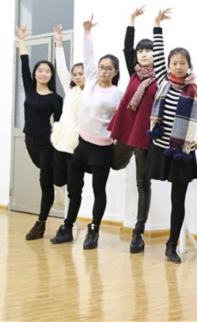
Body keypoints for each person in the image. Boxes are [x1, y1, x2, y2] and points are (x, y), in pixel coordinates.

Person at [146, 9, 197, 263]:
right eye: (174, 63)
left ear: (189, 65)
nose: (178, 66)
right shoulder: (162, 82)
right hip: (161, 147)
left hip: (182, 152)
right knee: (143, 186)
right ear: (168, 65)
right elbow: (157, 52)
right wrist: (157, 25)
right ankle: (139, 233)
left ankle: (171, 245)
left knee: (178, 200)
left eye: (182, 63)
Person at [50, 15, 124, 250]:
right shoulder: (90, 80)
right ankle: (67, 228)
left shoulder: (117, 94)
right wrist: (87, 32)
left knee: (98, 191)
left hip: (102, 149)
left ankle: (94, 231)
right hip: (81, 146)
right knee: (74, 189)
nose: (104, 71)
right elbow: (88, 54)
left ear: (115, 72)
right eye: (102, 67)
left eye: (109, 69)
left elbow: (122, 122)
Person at [107, 6, 165, 254]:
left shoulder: (160, 77)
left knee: (143, 183)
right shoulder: (134, 73)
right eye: (141, 51)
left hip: (144, 136)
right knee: (113, 163)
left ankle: (137, 233)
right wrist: (131, 20)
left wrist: (157, 25)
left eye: (148, 51)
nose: (143, 54)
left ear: (155, 54)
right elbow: (127, 48)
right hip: (125, 131)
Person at [17, 25, 63, 241]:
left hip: (47, 144)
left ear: (51, 75)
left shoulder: (56, 99)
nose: (43, 73)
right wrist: (21, 40)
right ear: (35, 74)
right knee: (46, 177)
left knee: (45, 181)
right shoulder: (29, 88)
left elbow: (60, 124)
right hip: (30, 141)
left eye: (47, 71)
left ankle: (40, 223)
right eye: (40, 70)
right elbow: (24, 63)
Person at [50, 24, 85, 193]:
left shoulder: (90, 93)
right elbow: (62, 70)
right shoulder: (70, 90)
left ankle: (73, 210)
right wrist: (59, 43)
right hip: (61, 143)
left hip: (75, 145)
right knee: (58, 181)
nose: (77, 77)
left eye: (81, 73)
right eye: (75, 74)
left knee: (74, 186)